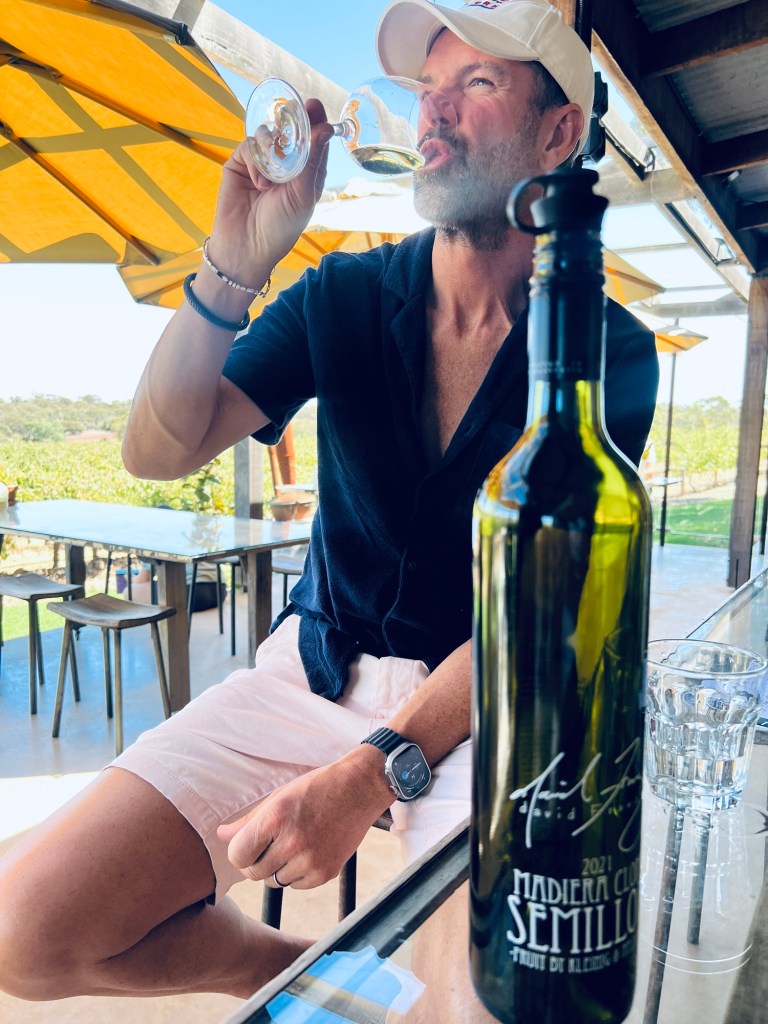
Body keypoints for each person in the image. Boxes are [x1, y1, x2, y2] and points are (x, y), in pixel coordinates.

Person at [0, 0, 658, 1015]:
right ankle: (311, 977)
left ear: (557, 133)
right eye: (426, 90)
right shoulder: (340, 295)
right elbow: (158, 449)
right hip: (310, 668)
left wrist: (373, 770)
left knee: (486, 1003)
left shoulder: (606, 347)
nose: (434, 113)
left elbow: (543, 610)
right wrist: (233, 262)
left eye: (477, 84)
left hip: (485, 701)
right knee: (27, 932)